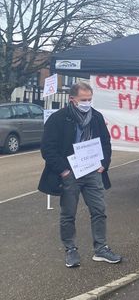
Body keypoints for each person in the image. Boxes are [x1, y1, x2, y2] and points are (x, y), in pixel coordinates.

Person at [38, 82, 122, 267]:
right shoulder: (58, 118)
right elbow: (48, 148)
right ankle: (71, 249)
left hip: (93, 171)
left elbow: (105, 143)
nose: (87, 103)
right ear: (72, 99)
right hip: (70, 173)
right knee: (68, 213)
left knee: (99, 210)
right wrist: (64, 170)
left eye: (90, 99)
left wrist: (104, 164)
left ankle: (101, 249)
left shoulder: (96, 117)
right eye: (83, 100)